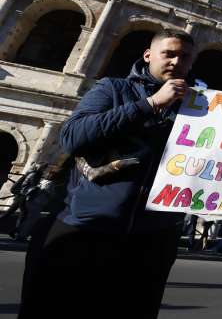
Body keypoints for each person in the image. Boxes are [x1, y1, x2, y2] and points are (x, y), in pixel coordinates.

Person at [18, 29, 195, 319]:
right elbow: (73, 136)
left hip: (150, 241)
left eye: (184, 57)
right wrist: (150, 105)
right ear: (148, 55)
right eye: (169, 53)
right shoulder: (112, 88)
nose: (177, 61)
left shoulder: (196, 109)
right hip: (83, 229)